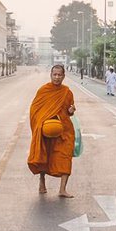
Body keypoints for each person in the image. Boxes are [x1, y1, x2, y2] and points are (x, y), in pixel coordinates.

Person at [28, 64, 77, 198]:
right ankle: (42, 181)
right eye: (54, 74)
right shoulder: (43, 90)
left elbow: (69, 110)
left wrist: (71, 111)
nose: (56, 77)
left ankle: (62, 189)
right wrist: (41, 124)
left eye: (59, 75)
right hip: (46, 130)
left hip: (64, 130)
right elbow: (34, 110)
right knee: (45, 155)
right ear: (50, 75)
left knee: (66, 155)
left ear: (63, 76)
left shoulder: (67, 92)